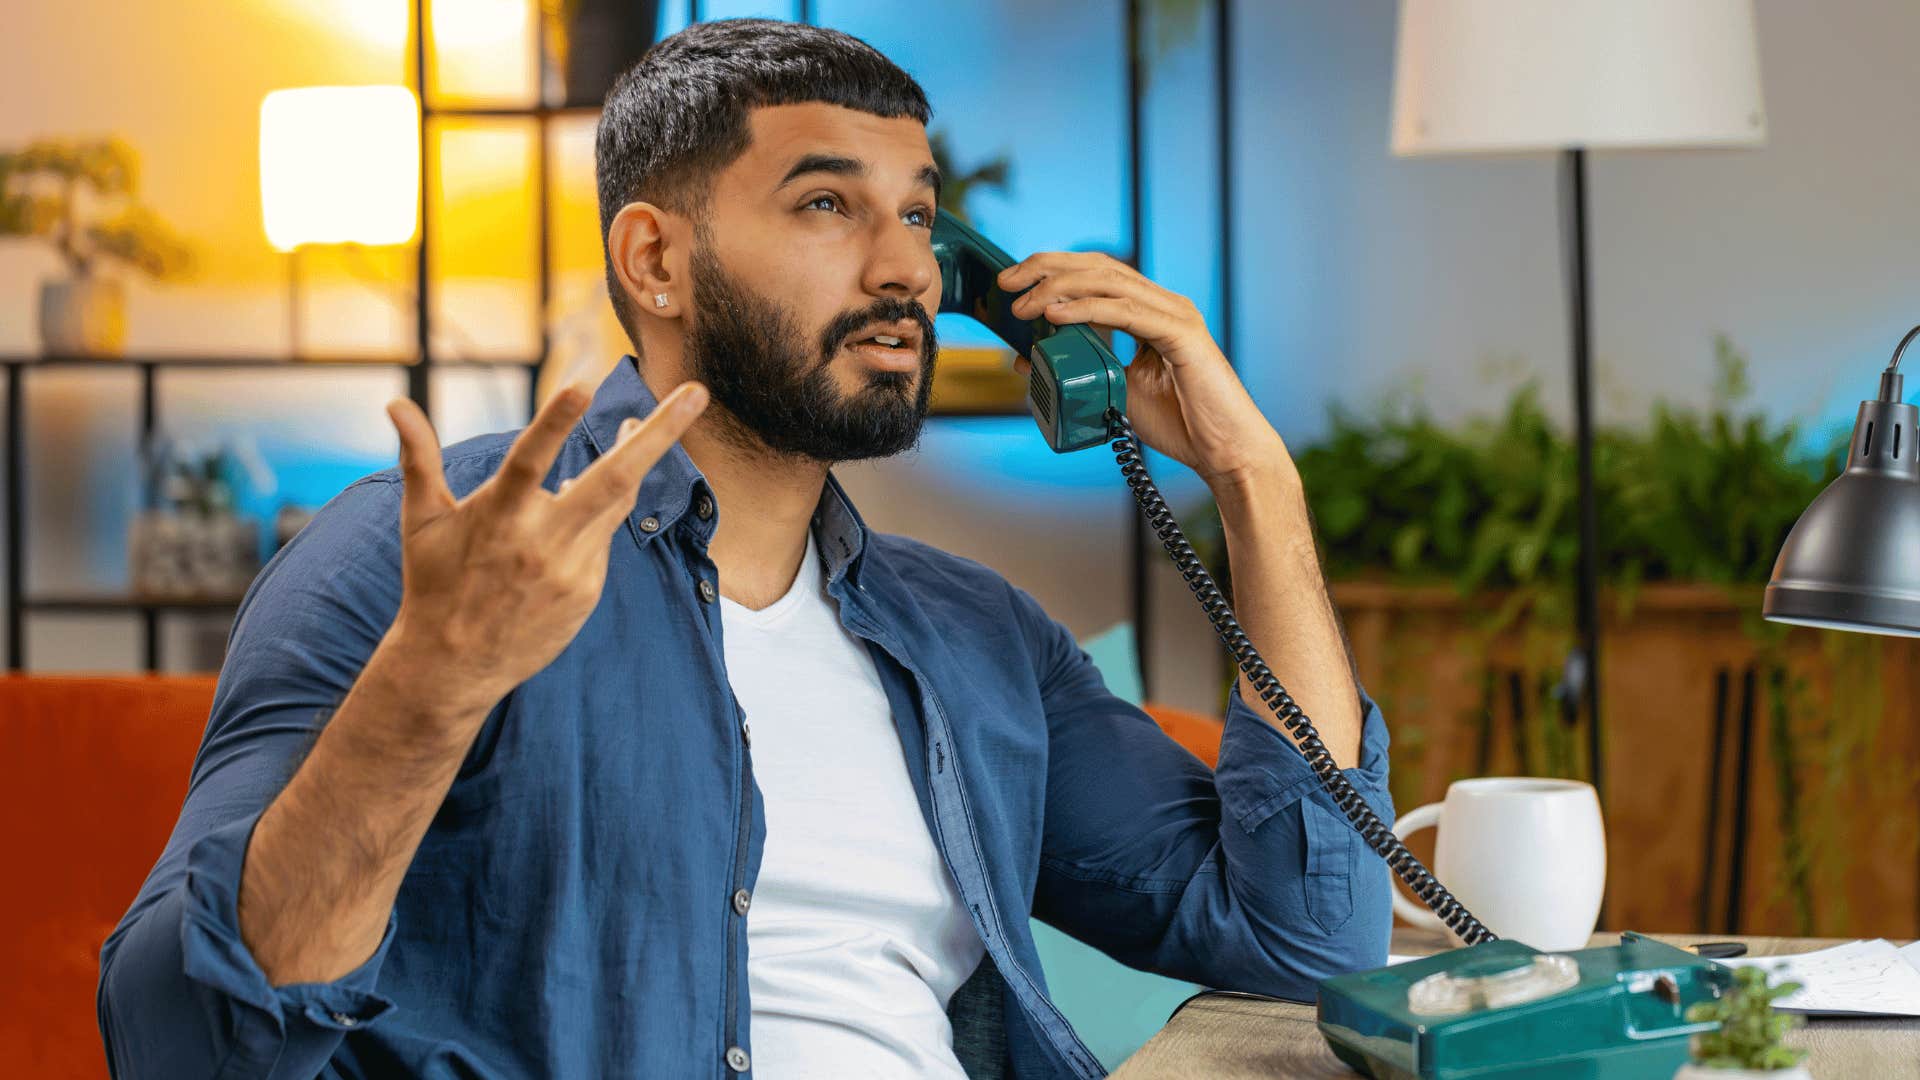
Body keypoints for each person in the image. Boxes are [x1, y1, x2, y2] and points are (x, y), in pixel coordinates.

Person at [97, 18, 1393, 1079]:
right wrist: (429, 692)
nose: (910, 275)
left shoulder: (978, 640)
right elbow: (185, 1043)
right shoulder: (425, 562)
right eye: (829, 203)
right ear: (655, 259)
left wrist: (1252, 481)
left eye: (922, 218)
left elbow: (1304, 938)